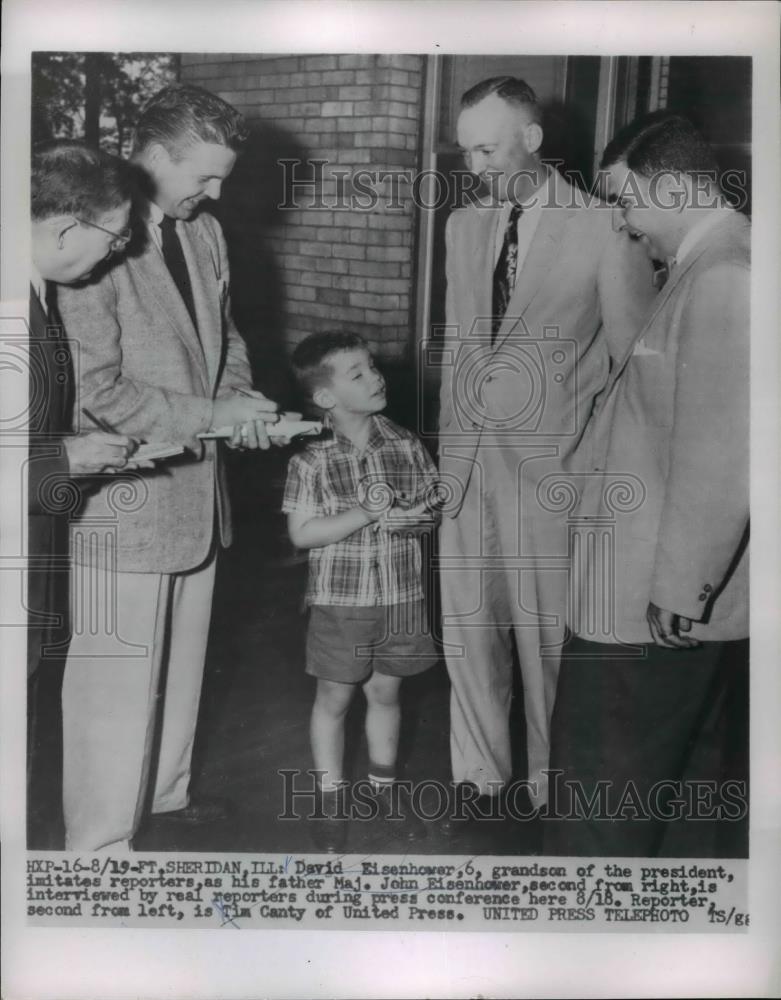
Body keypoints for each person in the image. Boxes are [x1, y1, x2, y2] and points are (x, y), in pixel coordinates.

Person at [55, 84, 283, 852]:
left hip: (196, 493)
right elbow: (96, 390)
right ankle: (99, 846)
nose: (215, 193)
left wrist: (242, 401)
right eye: (205, 176)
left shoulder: (206, 233)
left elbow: (225, 337)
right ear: (152, 156)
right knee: (113, 691)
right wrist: (211, 417)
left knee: (182, 669)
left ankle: (165, 795)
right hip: (124, 502)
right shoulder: (96, 243)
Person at [437, 76, 656, 830]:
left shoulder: (606, 229)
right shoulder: (463, 226)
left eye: (487, 148)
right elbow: (464, 349)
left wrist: (592, 468)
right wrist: (446, 465)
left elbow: (633, 365)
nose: (474, 165)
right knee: (467, 630)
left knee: (544, 641)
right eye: (465, 150)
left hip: (555, 469)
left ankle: (543, 782)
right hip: (466, 465)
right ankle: (477, 773)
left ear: (530, 140)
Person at [544, 112, 750, 857]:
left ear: (669, 186)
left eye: (626, 202)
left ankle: (584, 943)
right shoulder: (712, 263)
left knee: (603, 788)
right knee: (631, 783)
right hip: (638, 586)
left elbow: (723, 448)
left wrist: (679, 586)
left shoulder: (726, 273)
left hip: (649, 604)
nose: (624, 226)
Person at [283, 332, 440, 851]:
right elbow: (303, 534)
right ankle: (330, 800)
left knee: (387, 692)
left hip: (401, 595)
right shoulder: (310, 461)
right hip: (342, 602)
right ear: (326, 397)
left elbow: (429, 508)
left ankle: (383, 791)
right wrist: (367, 513)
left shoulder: (405, 443)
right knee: (335, 697)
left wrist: (414, 520)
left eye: (373, 367)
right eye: (358, 373)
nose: (376, 377)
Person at [28, 141, 137, 847]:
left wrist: (78, 454)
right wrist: (63, 457)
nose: (119, 253)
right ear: (68, 229)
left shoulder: (39, 294)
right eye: (117, 237)